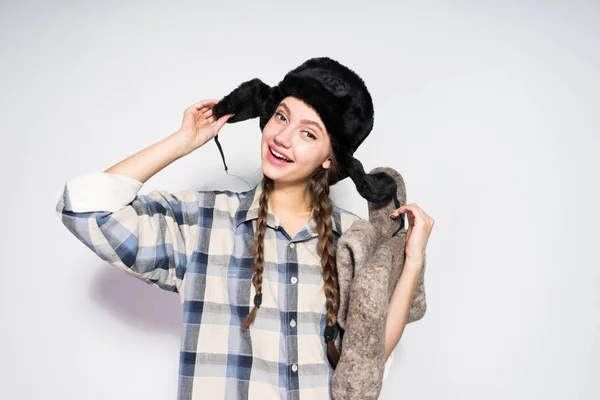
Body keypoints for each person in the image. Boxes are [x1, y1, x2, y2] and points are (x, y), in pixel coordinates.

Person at [55, 57, 434, 400]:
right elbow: (86, 209)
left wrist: (412, 261)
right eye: (282, 117)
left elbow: (366, 364)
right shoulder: (200, 221)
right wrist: (183, 142)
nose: (283, 138)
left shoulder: (352, 240)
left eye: (308, 133)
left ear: (328, 160)